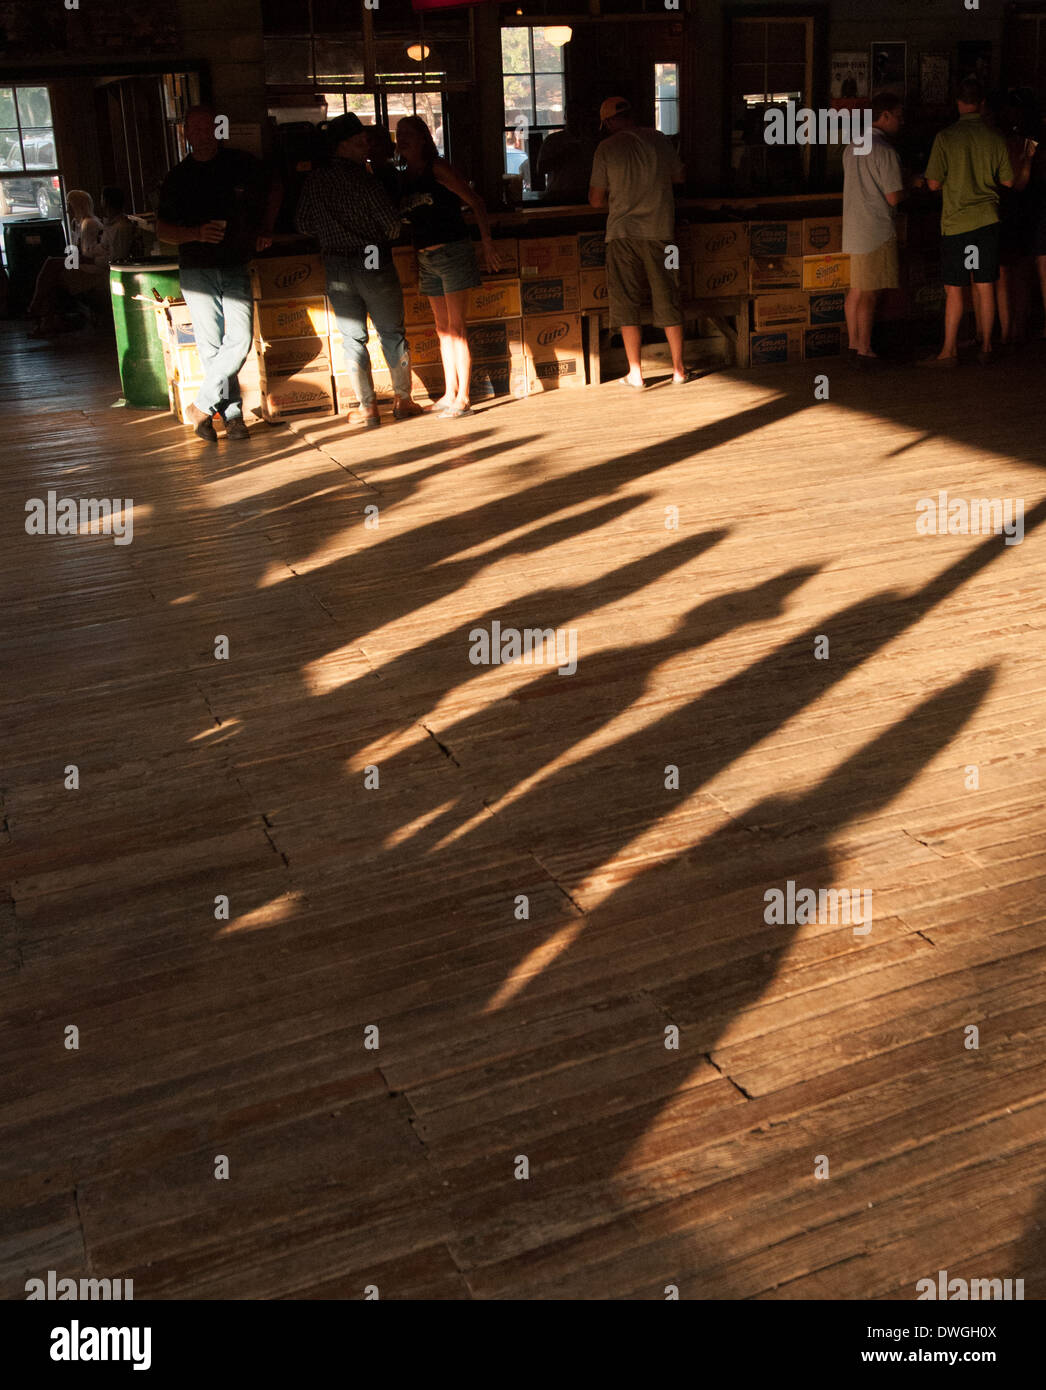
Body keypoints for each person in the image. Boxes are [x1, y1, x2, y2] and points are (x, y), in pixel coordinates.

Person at [156, 104, 278, 441]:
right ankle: (233, 416)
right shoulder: (178, 177)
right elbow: (162, 230)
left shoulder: (241, 164)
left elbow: (276, 187)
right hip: (197, 271)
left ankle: (199, 407)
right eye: (194, 129)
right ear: (186, 134)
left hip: (235, 263)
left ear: (218, 129)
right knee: (211, 350)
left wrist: (266, 227)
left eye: (207, 127)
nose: (201, 134)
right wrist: (195, 233)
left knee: (238, 342)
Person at [296, 112, 422, 428]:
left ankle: (367, 408)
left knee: (352, 339)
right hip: (370, 257)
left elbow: (302, 223)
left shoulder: (315, 181)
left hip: (336, 262)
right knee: (391, 332)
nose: (366, 145)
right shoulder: (365, 180)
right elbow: (392, 227)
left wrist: (331, 229)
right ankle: (403, 400)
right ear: (345, 146)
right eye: (360, 141)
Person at [396, 114, 499, 418]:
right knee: (442, 330)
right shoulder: (406, 175)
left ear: (423, 138)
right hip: (426, 258)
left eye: (408, 134)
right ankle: (449, 391)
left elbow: (476, 201)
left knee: (456, 328)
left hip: (452, 252)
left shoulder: (437, 168)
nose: (402, 139)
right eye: (398, 133)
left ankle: (464, 397)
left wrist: (487, 243)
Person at [588, 96, 693, 388]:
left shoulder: (606, 148)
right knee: (668, 294)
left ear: (608, 122)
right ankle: (679, 369)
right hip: (662, 232)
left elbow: (596, 200)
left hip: (622, 235)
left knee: (626, 302)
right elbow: (679, 176)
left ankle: (636, 373)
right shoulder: (659, 140)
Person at [922, 77, 1014, 366]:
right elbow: (1009, 180)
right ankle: (986, 345)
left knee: (956, 287)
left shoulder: (946, 138)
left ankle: (949, 350)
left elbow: (934, 183)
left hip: (957, 223)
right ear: (982, 103)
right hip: (987, 220)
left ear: (958, 103)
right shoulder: (994, 137)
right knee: (985, 284)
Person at [842, 91, 905, 365]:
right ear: (886, 115)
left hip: (854, 227)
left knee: (856, 290)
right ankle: (865, 349)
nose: (901, 122)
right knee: (870, 292)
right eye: (899, 116)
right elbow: (893, 197)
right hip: (876, 230)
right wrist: (910, 185)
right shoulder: (885, 150)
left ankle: (853, 343)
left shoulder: (852, 145)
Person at [27, 189, 105, 337]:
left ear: (78, 205)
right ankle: (47, 319)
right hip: (82, 263)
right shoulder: (77, 223)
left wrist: (67, 261)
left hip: (91, 268)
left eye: (70, 204)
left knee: (51, 264)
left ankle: (36, 308)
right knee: (52, 275)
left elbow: (86, 254)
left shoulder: (89, 224)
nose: (67, 208)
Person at [98, 185, 137, 265]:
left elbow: (117, 259)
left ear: (105, 201)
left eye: (101, 198)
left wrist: (92, 260)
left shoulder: (121, 227)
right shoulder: (112, 224)